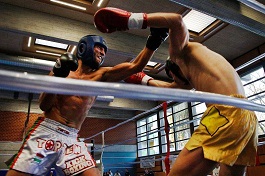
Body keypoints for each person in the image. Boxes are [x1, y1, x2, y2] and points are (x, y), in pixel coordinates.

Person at [93, 7, 258, 176]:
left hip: (226, 113)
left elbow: (176, 20)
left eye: (173, 76)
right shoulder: (196, 73)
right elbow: (170, 89)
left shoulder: (180, 53)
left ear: (174, 67)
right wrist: (143, 79)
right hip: (248, 117)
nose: (175, 81)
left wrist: (130, 20)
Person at [5, 30, 168, 175]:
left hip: (72, 138)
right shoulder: (63, 71)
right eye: (100, 47)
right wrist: (57, 75)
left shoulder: (101, 75)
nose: (103, 52)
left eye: (105, 50)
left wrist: (154, 41)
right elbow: (43, 105)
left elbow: (135, 66)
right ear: (84, 47)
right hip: (47, 132)